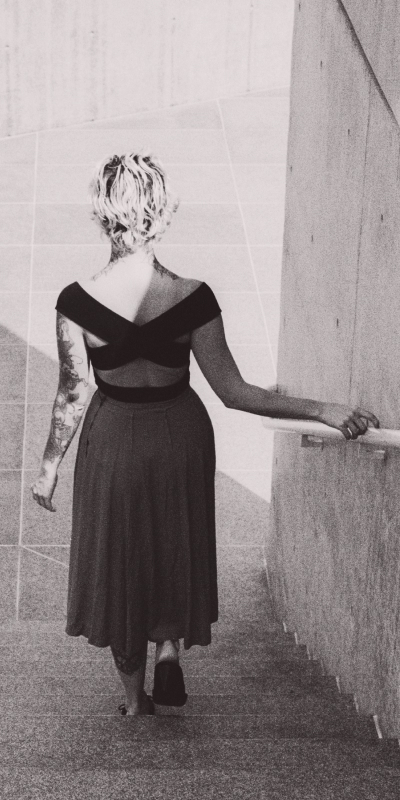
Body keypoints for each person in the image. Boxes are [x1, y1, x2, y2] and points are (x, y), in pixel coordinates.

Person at [30, 150, 380, 717]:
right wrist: (324, 409)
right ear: (162, 214)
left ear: (102, 215)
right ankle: (169, 647)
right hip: (180, 433)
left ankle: (134, 703)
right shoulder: (193, 297)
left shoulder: (76, 302)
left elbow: (72, 393)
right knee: (174, 538)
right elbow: (235, 391)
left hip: (114, 441)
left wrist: (48, 468)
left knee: (122, 558)